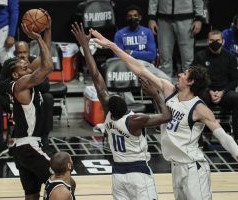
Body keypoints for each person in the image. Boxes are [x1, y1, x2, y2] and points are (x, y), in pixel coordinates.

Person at [91, 29, 238, 200]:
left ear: (191, 82)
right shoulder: (169, 89)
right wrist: (111, 45)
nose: (179, 74)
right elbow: (139, 68)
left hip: (193, 168)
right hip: (176, 167)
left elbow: (223, 136)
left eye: (184, 74)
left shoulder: (200, 108)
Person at [71, 22, 171, 200]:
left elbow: (96, 77)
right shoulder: (135, 120)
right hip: (138, 173)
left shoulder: (109, 116)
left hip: (118, 174)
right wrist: (155, 95)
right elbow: (166, 116)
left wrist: (85, 46)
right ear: (127, 107)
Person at [0, 12, 53, 159]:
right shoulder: (10, 65)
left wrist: (47, 31)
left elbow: (46, 60)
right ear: (15, 53)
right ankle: (1, 143)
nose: (22, 55)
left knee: (48, 97)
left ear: (29, 52)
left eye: (25, 52)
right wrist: (17, 82)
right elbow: (0, 87)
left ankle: (45, 140)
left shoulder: (33, 64)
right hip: (15, 99)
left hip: (33, 100)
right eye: (19, 53)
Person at [7, 21, 53, 199]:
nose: (26, 64)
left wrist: (47, 31)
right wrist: (38, 38)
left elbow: (45, 56)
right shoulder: (21, 84)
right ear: (15, 74)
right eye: (22, 65)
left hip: (24, 147)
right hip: (29, 145)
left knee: (32, 195)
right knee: (62, 180)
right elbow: (48, 66)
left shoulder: (25, 79)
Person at [193, 30, 238, 147]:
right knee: (198, 100)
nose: (215, 43)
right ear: (207, 41)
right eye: (212, 40)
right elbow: (196, 78)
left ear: (223, 41)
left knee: (237, 100)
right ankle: (198, 138)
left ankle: (237, 138)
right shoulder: (200, 56)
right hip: (206, 91)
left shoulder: (230, 57)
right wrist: (209, 91)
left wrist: (222, 92)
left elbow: (234, 80)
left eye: (218, 40)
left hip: (224, 91)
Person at [148, 0, 204, 78]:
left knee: (188, 59)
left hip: (186, 20)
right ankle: (165, 86)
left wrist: (199, 18)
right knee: (164, 58)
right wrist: (151, 17)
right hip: (164, 20)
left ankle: (188, 86)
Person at [0, 0, 19, 85]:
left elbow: (14, 11)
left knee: (8, 62)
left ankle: (13, 87)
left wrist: (11, 35)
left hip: (2, 29)